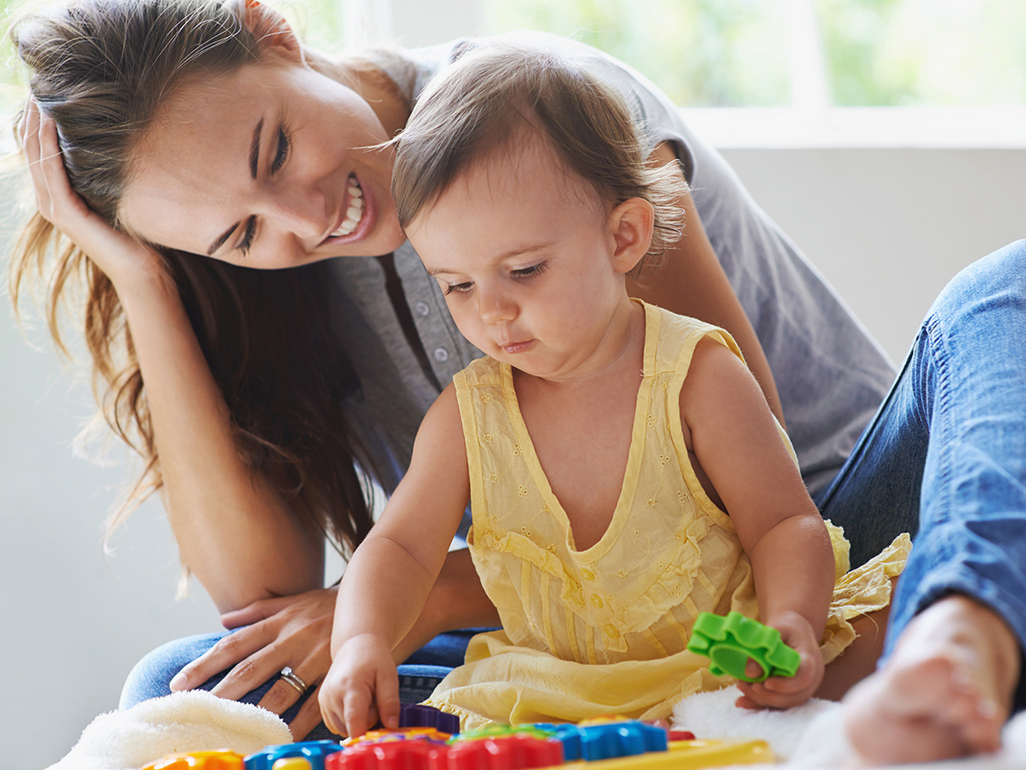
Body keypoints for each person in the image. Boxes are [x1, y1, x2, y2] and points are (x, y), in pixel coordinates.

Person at [9, 0, 1022, 757]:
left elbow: (695, 485)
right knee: (187, 693)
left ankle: (955, 623)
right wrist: (141, 272)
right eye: (241, 232)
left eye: (274, 148)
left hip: (819, 532)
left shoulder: (530, 110)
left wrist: (415, 593)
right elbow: (264, 597)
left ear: (272, 30)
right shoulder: (286, 272)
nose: (305, 216)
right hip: (572, 625)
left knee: (1002, 293)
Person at [316, 43, 910, 736]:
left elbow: (783, 523)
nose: (493, 311)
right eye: (457, 285)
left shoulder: (696, 376)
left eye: (526, 270)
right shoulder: (466, 418)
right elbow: (400, 550)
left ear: (624, 235)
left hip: (714, 671)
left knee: (882, 626)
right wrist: (358, 642)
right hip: (556, 695)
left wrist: (791, 626)